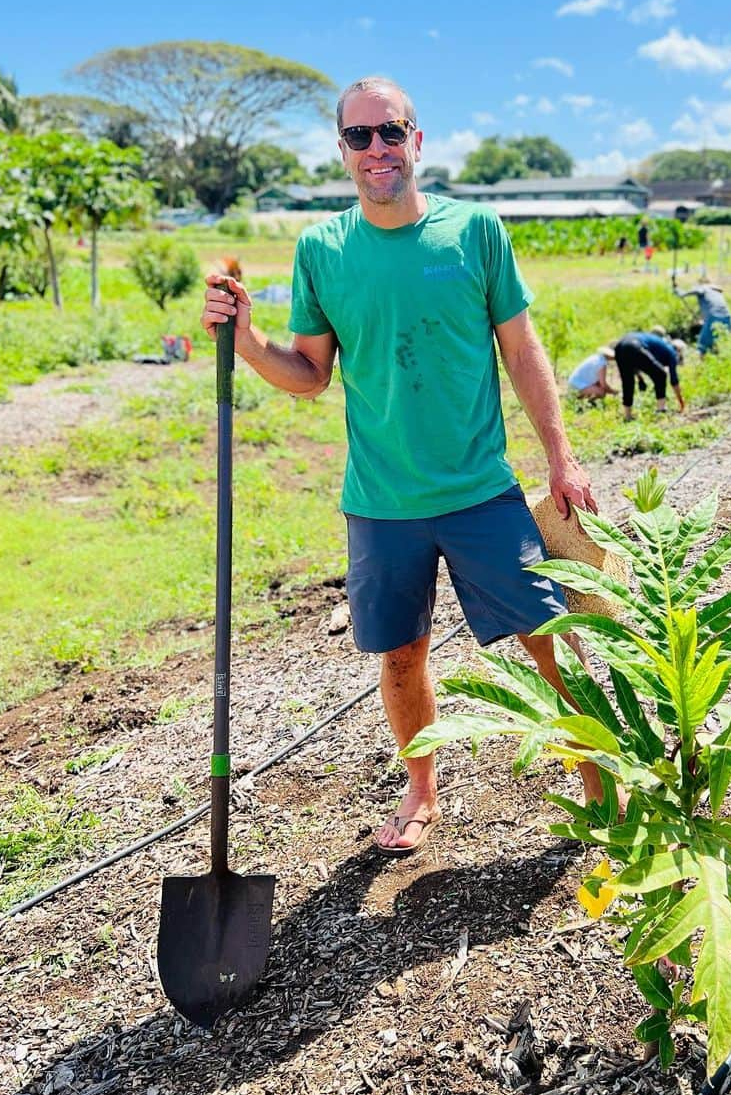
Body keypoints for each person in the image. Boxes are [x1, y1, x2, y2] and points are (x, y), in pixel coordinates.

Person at [200, 76, 599, 856]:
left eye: (391, 133)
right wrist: (245, 340)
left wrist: (561, 457)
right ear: (343, 151)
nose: (377, 150)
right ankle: (421, 791)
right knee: (402, 652)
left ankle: (598, 781)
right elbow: (311, 373)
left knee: (548, 634)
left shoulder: (476, 231)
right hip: (381, 502)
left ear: (417, 140)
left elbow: (521, 348)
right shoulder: (322, 250)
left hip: (482, 489)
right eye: (360, 137)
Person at [613, 331, 686, 420]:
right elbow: (674, 380)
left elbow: (636, 364)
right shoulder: (671, 352)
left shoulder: (660, 347)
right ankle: (661, 409)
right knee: (661, 374)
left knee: (628, 382)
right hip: (634, 345)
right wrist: (681, 402)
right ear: (678, 350)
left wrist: (640, 379)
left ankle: (628, 415)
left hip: (620, 346)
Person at [676, 282, 731, 354]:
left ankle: (700, 362)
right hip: (728, 318)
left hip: (714, 318)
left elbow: (698, 290)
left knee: (702, 346)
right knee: (723, 345)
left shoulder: (704, 287)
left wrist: (682, 293)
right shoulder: (716, 292)